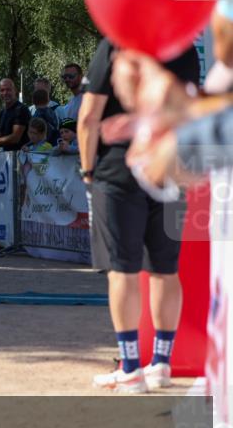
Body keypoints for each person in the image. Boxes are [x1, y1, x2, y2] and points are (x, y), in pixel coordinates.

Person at [79, 37, 200, 393]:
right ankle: (161, 363)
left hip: (118, 170)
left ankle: (131, 366)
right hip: (169, 166)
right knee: (166, 268)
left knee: (123, 269)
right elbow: (188, 110)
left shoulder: (115, 45)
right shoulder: (183, 46)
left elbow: (88, 117)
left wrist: (88, 172)